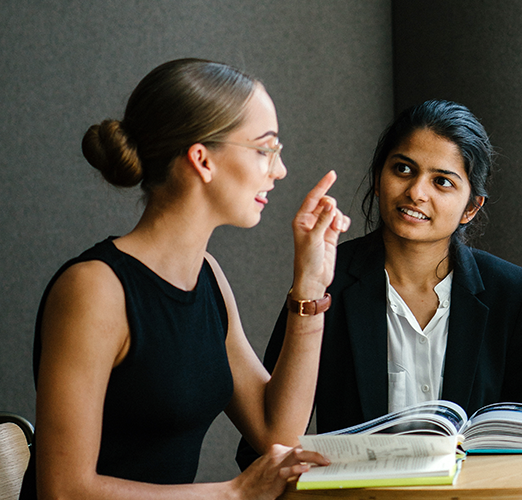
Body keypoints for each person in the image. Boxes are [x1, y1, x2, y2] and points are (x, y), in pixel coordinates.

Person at [27, 58, 350, 499]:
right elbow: (63, 491)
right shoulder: (94, 290)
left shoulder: (208, 277)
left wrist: (311, 287)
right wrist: (232, 494)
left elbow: (279, 432)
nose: (279, 170)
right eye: (265, 150)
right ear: (202, 160)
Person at [237, 99, 522, 468]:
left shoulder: (512, 293)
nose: (417, 192)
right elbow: (264, 447)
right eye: (403, 169)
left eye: (442, 182)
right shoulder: (327, 281)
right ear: (378, 177)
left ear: (471, 207)